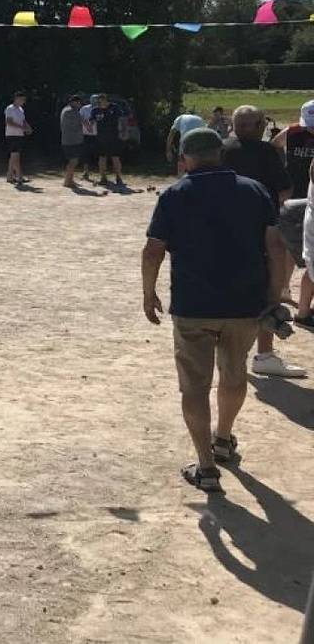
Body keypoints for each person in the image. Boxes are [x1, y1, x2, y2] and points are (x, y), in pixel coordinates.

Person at [141, 128, 286, 492]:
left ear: (185, 158)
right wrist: (274, 294)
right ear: (220, 154)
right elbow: (275, 247)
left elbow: (153, 249)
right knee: (234, 375)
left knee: (194, 386)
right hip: (244, 303)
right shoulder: (254, 191)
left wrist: (148, 293)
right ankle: (224, 437)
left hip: (194, 305)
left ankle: (206, 467)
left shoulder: (174, 195)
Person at [223, 105, 306, 378]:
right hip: (262, 230)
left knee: (227, 291)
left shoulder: (221, 148)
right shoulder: (266, 152)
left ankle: (226, 354)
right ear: (259, 125)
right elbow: (284, 189)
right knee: (266, 291)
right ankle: (265, 354)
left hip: (224, 231)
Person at [270, 100, 314, 329]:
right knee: (289, 245)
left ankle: (288, 290)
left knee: (301, 250)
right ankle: (285, 289)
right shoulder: (293, 130)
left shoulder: (294, 130)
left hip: (305, 192)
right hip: (296, 193)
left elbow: (275, 144)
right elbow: (274, 145)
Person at [92, 94, 124, 187]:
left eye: (102, 100)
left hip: (114, 136)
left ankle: (118, 177)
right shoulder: (95, 110)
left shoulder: (115, 107)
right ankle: (103, 178)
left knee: (115, 157)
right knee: (102, 157)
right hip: (101, 138)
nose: (100, 103)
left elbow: (122, 119)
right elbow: (91, 121)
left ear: (106, 100)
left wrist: (123, 131)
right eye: (99, 101)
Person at [4, 90, 31, 184]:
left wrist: (28, 127)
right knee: (15, 155)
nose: (23, 101)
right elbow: (9, 122)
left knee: (14, 155)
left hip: (19, 134)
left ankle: (10, 176)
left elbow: (23, 121)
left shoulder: (20, 109)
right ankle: (19, 176)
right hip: (11, 134)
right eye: (22, 99)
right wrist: (22, 127)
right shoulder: (10, 108)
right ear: (16, 99)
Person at [59, 94, 85, 187]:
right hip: (71, 140)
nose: (80, 105)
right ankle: (67, 181)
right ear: (74, 102)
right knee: (73, 161)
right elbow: (80, 124)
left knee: (73, 161)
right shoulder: (71, 111)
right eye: (78, 103)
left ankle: (70, 179)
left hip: (71, 140)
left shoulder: (67, 110)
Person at [79, 94, 98, 181]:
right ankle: (85, 172)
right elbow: (80, 118)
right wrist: (87, 126)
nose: (94, 101)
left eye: (96, 100)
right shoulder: (84, 108)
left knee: (100, 154)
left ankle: (102, 174)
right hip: (86, 134)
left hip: (98, 134)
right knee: (86, 154)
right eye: (93, 99)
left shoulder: (101, 109)